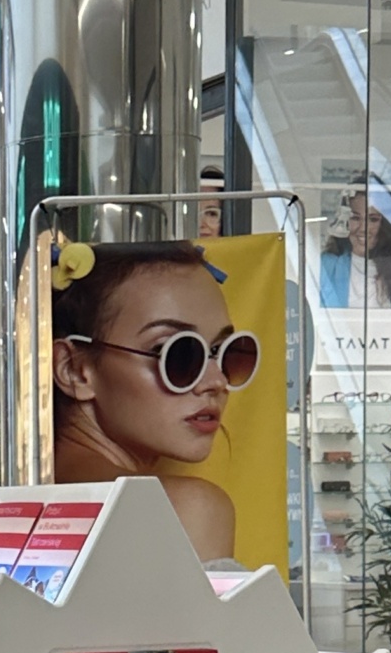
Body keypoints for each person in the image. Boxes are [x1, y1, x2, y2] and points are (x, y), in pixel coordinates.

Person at [49, 240, 258, 562]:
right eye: (175, 352)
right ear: (74, 370)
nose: (216, 382)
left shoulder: (18, 498)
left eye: (226, 351)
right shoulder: (184, 509)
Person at [320, 188, 391, 308]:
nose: (363, 228)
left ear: (385, 224)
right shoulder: (327, 265)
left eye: (373, 219)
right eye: (355, 218)